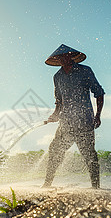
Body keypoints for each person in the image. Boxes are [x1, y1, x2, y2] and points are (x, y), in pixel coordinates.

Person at [43, 44, 105, 189]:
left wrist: (98, 115)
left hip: (84, 120)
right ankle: (46, 184)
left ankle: (95, 187)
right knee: (55, 151)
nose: (63, 59)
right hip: (65, 122)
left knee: (89, 155)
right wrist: (54, 115)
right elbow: (59, 101)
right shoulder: (57, 76)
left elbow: (99, 93)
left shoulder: (85, 71)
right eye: (60, 57)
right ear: (57, 59)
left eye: (65, 56)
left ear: (71, 56)